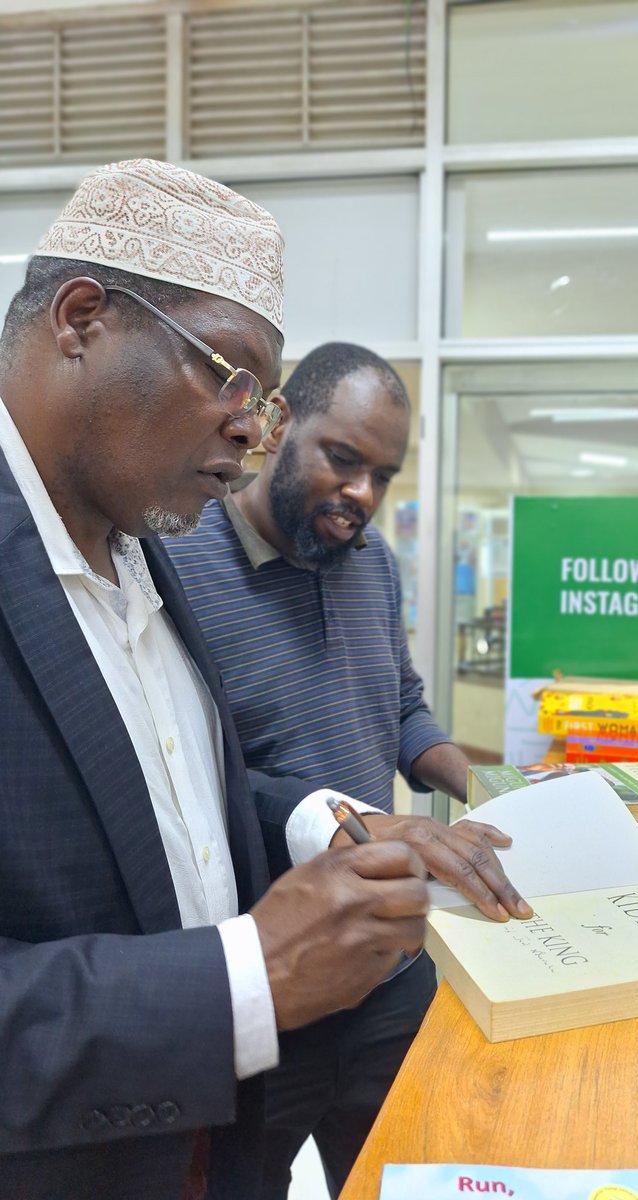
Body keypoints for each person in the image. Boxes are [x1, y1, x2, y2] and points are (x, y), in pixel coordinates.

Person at [0, 160, 526, 1200]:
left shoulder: (139, 544)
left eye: (266, 399)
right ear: (81, 318)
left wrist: (329, 821)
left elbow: (174, 799)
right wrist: (251, 976)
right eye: (225, 373)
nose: (248, 429)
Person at [165, 343, 532, 1198]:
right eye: (344, 459)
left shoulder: (372, 565)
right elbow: (185, 779)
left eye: (384, 475)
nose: (362, 495)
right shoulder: (174, 568)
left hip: (395, 964)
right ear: (280, 423)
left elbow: (400, 707)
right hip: (274, 976)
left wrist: (492, 785)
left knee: (403, 1174)